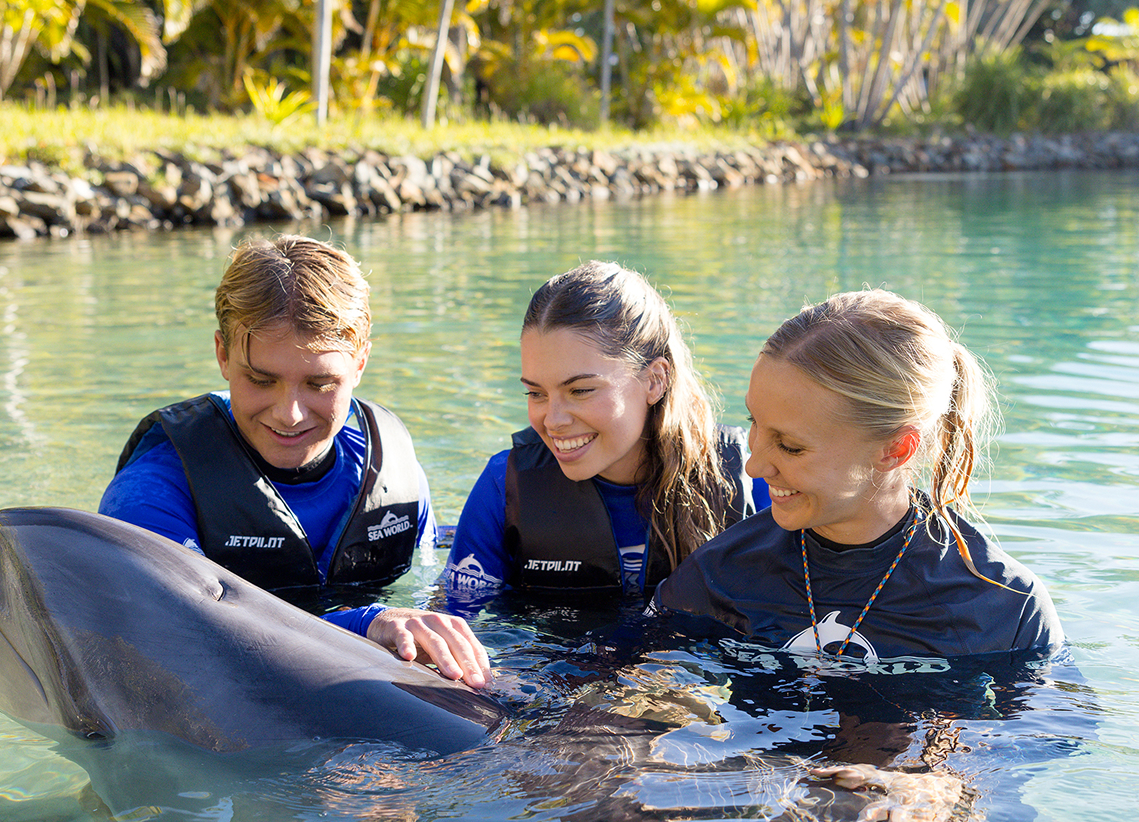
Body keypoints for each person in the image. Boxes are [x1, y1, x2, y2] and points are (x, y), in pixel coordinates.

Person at [653, 289, 1064, 822]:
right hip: (763, 798)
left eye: (790, 446)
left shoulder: (1002, 605)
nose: (753, 463)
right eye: (755, 425)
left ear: (896, 448)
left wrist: (947, 784)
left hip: (906, 821)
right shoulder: (722, 572)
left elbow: (1047, 731)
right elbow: (643, 682)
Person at [102, 234, 488, 686]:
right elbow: (174, 639)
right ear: (223, 355)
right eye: (262, 380)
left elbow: (426, 597)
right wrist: (364, 626)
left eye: (321, 384)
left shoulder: (393, 469)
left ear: (359, 363)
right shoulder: (155, 491)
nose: (290, 414)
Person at [443, 261, 764, 612]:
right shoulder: (504, 487)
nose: (553, 420)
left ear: (655, 380)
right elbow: (457, 627)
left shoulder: (750, 480)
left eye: (580, 390)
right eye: (535, 393)